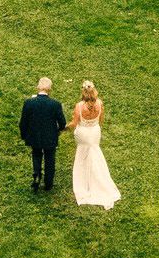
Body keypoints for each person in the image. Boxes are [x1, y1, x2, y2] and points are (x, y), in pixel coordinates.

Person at [69, 80, 120, 210]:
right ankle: (98, 179)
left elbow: (74, 124)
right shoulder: (100, 104)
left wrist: (62, 128)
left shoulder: (79, 106)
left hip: (83, 134)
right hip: (94, 132)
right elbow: (100, 121)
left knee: (82, 154)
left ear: (83, 91)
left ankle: (84, 181)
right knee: (95, 152)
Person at [19, 77, 68, 193]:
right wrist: (59, 131)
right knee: (50, 159)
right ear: (49, 89)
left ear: (38, 87)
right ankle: (48, 183)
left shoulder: (29, 103)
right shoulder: (55, 104)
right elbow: (62, 122)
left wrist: (24, 135)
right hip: (50, 137)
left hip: (34, 136)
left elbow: (23, 122)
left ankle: (36, 175)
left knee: (36, 155)